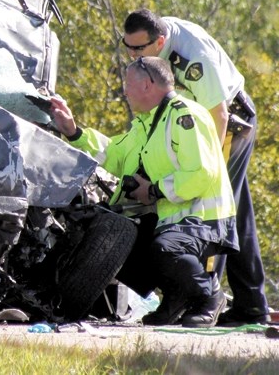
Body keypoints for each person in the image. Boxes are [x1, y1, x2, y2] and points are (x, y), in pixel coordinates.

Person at [50, 56, 238, 327]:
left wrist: (154, 190)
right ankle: (176, 299)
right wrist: (73, 131)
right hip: (171, 219)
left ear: (148, 84)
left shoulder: (185, 114)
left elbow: (201, 172)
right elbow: (112, 154)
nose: (124, 91)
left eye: (128, 84)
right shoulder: (147, 123)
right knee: (114, 247)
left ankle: (210, 296)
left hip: (204, 218)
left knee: (165, 249)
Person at [122, 8, 269, 325]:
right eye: (128, 47)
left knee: (206, 209)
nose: (133, 55)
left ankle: (202, 301)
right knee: (235, 212)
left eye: (139, 49)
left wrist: (207, 166)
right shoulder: (154, 38)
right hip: (198, 126)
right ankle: (250, 305)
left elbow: (220, 113)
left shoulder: (192, 57)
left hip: (228, 124)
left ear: (159, 41)